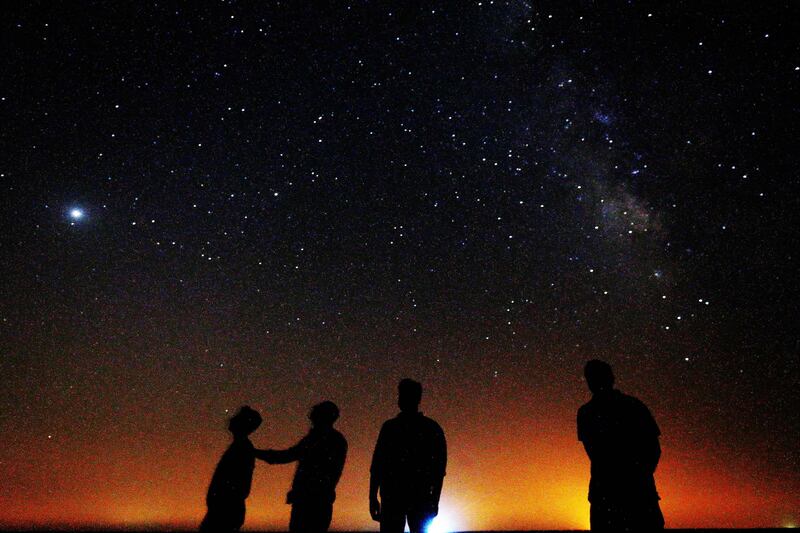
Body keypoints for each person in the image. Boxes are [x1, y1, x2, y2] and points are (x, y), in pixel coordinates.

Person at [577, 360, 665, 531]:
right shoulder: (634, 406)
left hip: (608, 493)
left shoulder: (587, 413)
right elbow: (654, 448)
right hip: (635, 492)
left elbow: (594, 453)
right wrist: (640, 475)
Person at [369, 379, 447, 533]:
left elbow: (378, 465)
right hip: (411, 496)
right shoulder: (430, 428)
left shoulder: (392, 428)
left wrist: (372, 497)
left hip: (403, 496)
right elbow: (377, 464)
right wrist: (435, 499)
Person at [257, 401, 347, 533]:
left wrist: (255, 452)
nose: (311, 420)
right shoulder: (333, 440)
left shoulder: (321, 440)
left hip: (312, 502)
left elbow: (289, 455)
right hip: (316, 500)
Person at [200, 406, 263, 533]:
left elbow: (239, 484)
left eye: (238, 418)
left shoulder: (242, 448)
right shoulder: (241, 447)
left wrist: (220, 503)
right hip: (226, 508)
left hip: (225, 509)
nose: (231, 419)